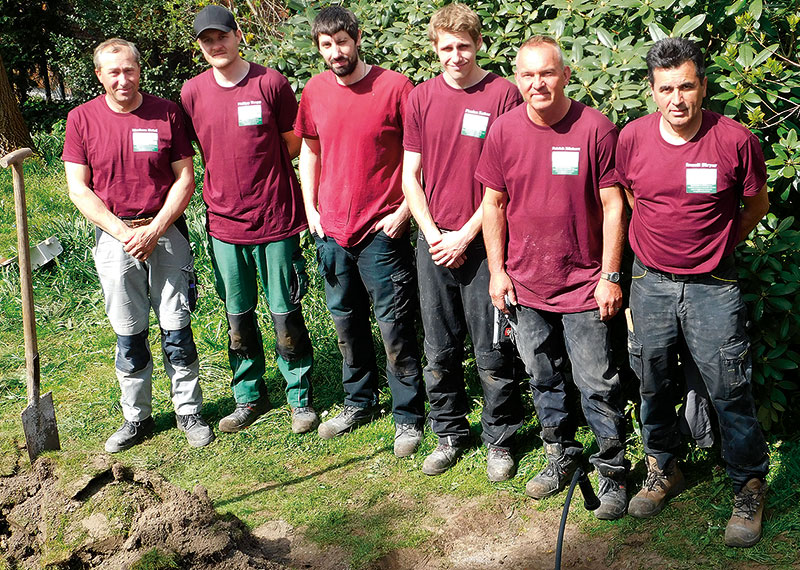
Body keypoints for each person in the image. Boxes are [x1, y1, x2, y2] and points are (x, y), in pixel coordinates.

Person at [616, 37, 770, 547]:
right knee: (652, 382)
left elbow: (755, 204)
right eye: (665, 89)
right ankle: (664, 467)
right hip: (650, 282)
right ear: (652, 91)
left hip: (714, 285)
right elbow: (633, 195)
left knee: (730, 388)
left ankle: (748, 486)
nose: (676, 99)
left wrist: (718, 247)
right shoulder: (632, 139)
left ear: (703, 85)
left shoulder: (735, 141)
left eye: (686, 86)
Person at [477, 36, 628, 519]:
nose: (537, 83)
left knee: (598, 384)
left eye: (546, 73)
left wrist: (610, 275)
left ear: (565, 75)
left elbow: (613, 205)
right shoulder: (502, 132)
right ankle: (560, 457)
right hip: (524, 283)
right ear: (516, 79)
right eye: (527, 75)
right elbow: (493, 204)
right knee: (543, 378)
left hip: (585, 285)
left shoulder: (595, 128)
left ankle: (614, 475)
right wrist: (498, 272)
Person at [63, 38, 213, 452]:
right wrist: (122, 232)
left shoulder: (166, 113)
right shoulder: (82, 119)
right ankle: (137, 418)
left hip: (166, 234)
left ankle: (188, 410)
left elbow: (185, 177)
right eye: (114, 72)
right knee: (129, 333)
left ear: (139, 69)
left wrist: (155, 228)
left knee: (177, 327)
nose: (123, 79)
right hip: (115, 240)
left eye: (129, 69)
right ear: (100, 76)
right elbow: (79, 188)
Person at [295, 6, 426, 456]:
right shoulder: (314, 90)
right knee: (347, 323)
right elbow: (309, 151)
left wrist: (406, 211)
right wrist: (311, 207)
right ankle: (359, 403)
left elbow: (418, 157)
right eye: (326, 46)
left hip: (381, 230)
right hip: (331, 231)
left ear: (357, 38)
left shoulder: (395, 88)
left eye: (342, 42)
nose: (335, 52)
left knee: (395, 327)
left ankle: (408, 417)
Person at [181, 5, 317, 434]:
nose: (215, 45)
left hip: (275, 218)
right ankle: (248, 396)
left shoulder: (270, 83)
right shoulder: (192, 93)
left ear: (238, 35)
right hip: (224, 223)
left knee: (285, 312)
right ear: (200, 47)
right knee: (237, 315)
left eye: (221, 36)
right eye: (207, 40)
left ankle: (299, 398)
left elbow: (293, 143)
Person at [402, 3, 523, 480]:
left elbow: (509, 181)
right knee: (439, 347)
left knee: (492, 349)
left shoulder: (504, 95)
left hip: (485, 244)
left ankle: (500, 440)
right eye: (447, 47)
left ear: (479, 45)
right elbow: (410, 176)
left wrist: (466, 234)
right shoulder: (419, 99)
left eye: (464, 47)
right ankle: (450, 432)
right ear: (435, 49)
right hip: (433, 244)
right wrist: (434, 235)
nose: (456, 56)